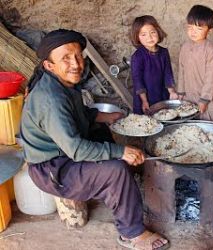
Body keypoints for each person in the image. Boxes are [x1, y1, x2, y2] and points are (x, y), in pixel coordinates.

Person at [20, 29, 169, 250]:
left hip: (63, 154)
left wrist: (106, 117)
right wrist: (121, 153)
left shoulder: (63, 84)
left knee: (101, 133)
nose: (76, 63)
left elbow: (78, 115)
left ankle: (114, 188)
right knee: (116, 168)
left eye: (78, 55)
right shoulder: (50, 99)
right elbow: (77, 150)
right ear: (49, 66)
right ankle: (132, 233)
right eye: (66, 58)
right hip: (53, 170)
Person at [176, 4, 213, 121]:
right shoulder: (185, 47)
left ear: (209, 30)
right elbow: (181, 71)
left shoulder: (211, 50)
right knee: (189, 123)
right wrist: (180, 91)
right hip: (188, 96)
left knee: (206, 123)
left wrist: (204, 99)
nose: (193, 32)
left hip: (206, 97)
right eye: (190, 27)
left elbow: (212, 78)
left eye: (199, 29)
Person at [130, 15, 177, 114]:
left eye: (152, 32)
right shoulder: (137, 57)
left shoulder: (164, 52)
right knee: (146, 123)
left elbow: (167, 74)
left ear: (158, 31)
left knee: (164, 117)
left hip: (161, 94)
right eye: (143, 34)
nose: (149, 37)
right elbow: (138, 81)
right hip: (144, 97)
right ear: (137, 37)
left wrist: (171, 92)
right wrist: (144, 101)